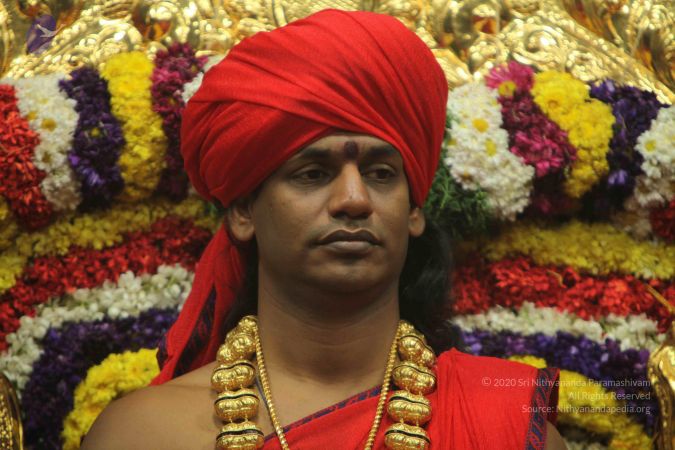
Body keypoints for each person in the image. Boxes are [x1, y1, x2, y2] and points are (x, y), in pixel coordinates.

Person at [82, 9, 567, 450]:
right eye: (312, 174)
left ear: (414, 210)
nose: (354, 200)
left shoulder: (506, 423)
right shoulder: (144, 434)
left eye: (381, 173)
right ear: (244, 212)